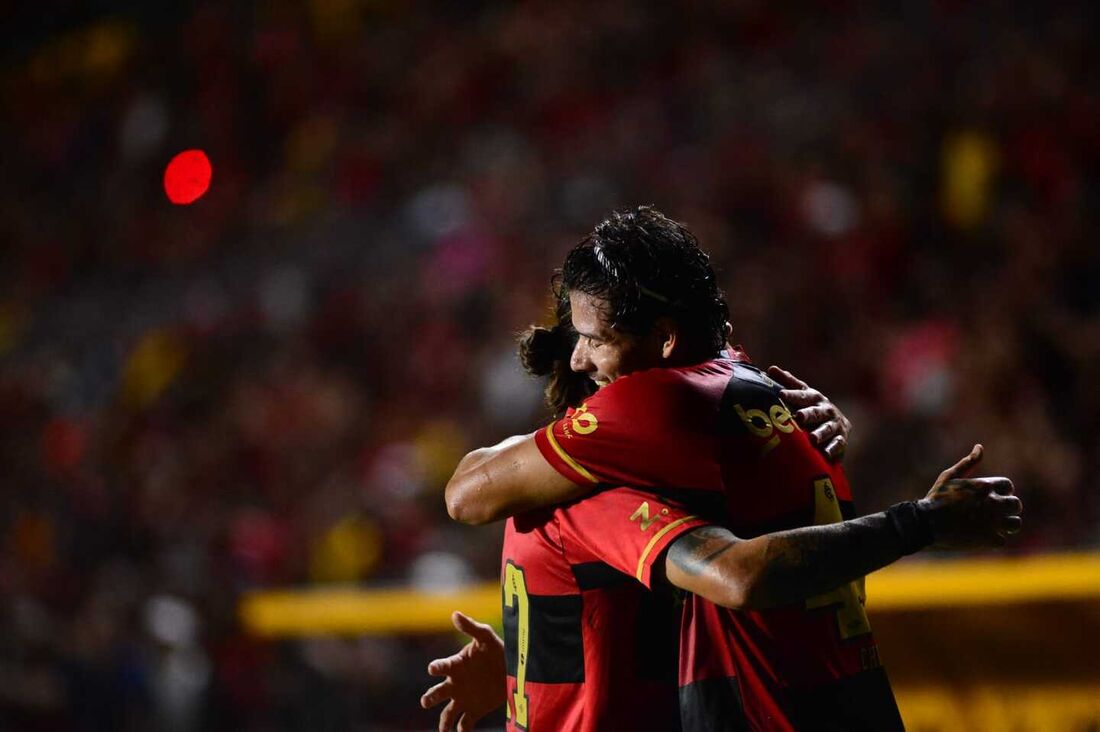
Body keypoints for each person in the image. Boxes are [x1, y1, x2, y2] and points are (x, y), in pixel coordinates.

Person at [425, 207, 1022, 731]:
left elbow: (466, 496)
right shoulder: (766, 391)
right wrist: (529, 670)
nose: (581, 360)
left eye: (594, 340)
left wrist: (922, 521)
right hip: (850, 702)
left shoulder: (651, 404)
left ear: (664, 339)